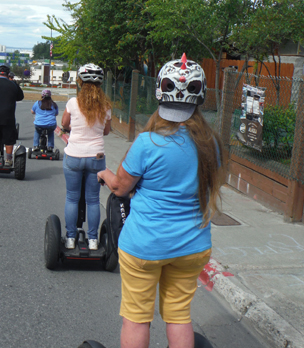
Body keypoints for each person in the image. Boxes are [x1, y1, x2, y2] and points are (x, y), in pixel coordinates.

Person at [97, 54, 226, 348]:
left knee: (137, 316)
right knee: (179, 314)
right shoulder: (212, 144)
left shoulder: (147, 142)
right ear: (200, 98)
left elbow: (120, 188)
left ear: (159, 93)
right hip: (193, 245)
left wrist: (105, 174)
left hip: (145, 245)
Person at [62, 63, 112, 251]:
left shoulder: (73, 103)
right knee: (93, 199)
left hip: (74, 156)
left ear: (80, 82)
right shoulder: (106, 106)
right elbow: (106, 131)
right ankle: (93, 240)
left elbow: (65, 123)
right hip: (96, 158)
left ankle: (70, 238)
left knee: (72, 198)